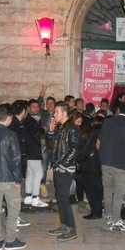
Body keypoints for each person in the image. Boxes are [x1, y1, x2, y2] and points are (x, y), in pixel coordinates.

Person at [0, 104, 27, 250]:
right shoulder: (10, 135)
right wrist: (18, 179)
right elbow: (16, 159)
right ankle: (10, 240)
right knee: (13, 209)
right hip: (8, 179)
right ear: (8, 118)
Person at [98, 102, 125, 232]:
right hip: (122, 165)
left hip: (106, 163)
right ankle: (116, 221)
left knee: (107, 191)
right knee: (119, 194)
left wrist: (103, 158)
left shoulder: (107, 122)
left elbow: (98, 143)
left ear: (117, 110)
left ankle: (108, 216)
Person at [47, 102, 80, 242]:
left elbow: (74, 149)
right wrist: (50, 131)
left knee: (64, 199)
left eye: (57, 112)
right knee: (60, 198)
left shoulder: (72, 128)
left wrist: (62, 163)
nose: (54, 114)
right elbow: (52, 147)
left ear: (64, 113)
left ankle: (71, 229)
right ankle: (64, 225)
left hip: (65, 169)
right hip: (58, 167)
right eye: (54, 112)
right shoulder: (61, 128)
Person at [77, 116, 103, 220]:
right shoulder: (105, 133)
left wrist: (79, 158)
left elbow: (86, 149)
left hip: (90, 166)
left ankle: (96, 212)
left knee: (91, 191)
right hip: (101, 165)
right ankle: (99, 210)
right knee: (99, 190)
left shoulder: (93, 133)